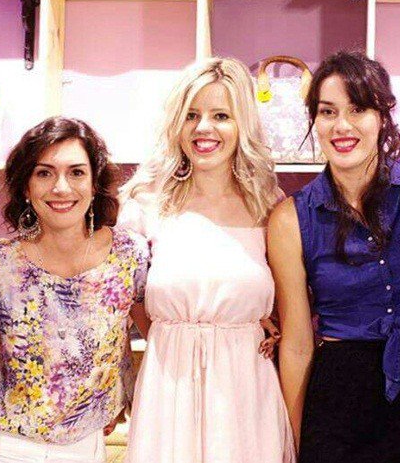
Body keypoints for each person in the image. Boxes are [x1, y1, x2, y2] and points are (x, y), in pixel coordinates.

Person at [119, 57, 295, 463]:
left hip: (247, 388)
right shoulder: (146, 202)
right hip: (169, 386)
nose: (203, 128)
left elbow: (292, 295)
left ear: (242, 124)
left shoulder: (269, 204)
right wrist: (173, 334)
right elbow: (125, 292)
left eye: (221, 116)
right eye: (192, 115)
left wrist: (267, 324)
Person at [268, 51, 400, 463]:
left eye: (357, 109)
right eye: (328, 112)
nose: (341, 126)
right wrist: (297, 440)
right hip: (339, 399)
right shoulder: (291, 218)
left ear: (382, 115)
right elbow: (297, 345)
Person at [0, 116, 150, 463]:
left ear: (94, 183)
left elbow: (161, 341)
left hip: (84, 447)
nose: (61, 188)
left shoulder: (128, 255)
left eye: (76, 172)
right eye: (44, 173)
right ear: (26, 187)